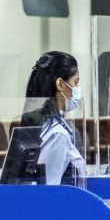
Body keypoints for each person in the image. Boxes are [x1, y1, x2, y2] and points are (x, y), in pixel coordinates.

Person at [22, 51, 86, 186]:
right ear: (60, 85)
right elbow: (49, 188)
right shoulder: (57, 134)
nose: (77, 89)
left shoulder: (49, 126)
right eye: (76, 82)